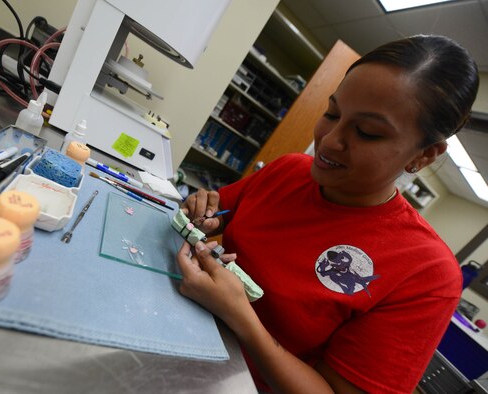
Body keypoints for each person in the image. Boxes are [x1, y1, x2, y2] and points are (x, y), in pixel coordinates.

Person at [176, 35, 479, 394]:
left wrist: (241, 318)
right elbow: (215, 215)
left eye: (367, 132)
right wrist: (204, 215)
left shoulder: (427, 273)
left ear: (425, 154)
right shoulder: (288, 170)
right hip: (180, 332)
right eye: (332, 113)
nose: (330, 140)